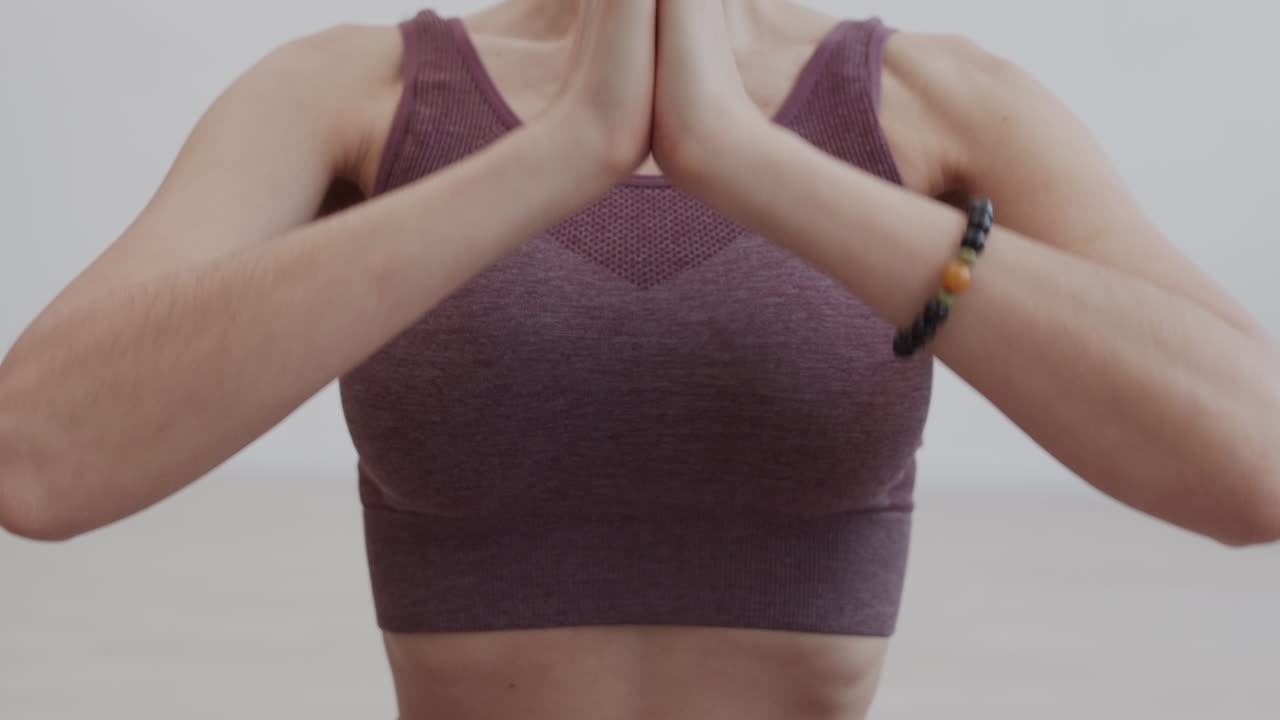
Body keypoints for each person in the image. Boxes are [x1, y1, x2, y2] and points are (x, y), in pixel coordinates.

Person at [1, 1, 1277, 718]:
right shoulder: (355, 95)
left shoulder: (936, 105)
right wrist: (566, 152)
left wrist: (745, 156)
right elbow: (39, 458)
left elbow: (1251, 458)